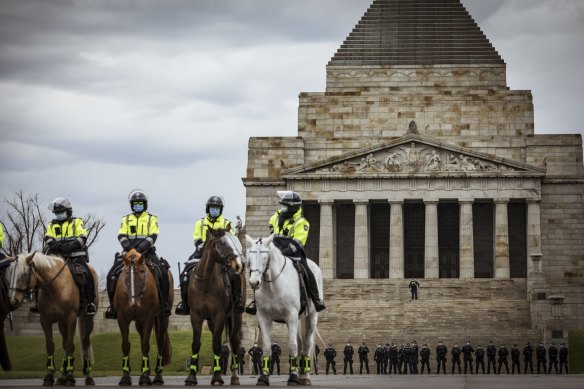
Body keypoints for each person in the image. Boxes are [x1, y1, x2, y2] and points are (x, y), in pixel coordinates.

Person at [246, 191, 325, 315]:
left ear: (293, 208)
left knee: (308, 271)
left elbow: (299, 242)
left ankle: (316, 299)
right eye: (282, 205)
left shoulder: (302, 222)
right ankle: (256, 302)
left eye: (285, 206)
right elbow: (272, 230)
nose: (282, 208)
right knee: (260, 270)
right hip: (276, 250)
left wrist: (284, 252)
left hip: (294, 253)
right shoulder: (277, 217)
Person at [105, 189, 171, 319]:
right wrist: (130, 249)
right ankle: (113, 307)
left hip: (147, 253)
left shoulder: (151, 219)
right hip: (128, 254)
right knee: (111, 276)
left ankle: (164, 305)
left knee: (163, 273)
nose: (138, 206)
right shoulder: (126, 219)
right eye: (135, 204)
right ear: (132, 205)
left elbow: (153, 236)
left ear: (145, 204)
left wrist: (139, 249)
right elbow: (121, 235)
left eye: (140, 203)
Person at [175, 195, 244, 315]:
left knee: (235, 274)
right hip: (201, 254)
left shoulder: (226, 223)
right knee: (185, 273)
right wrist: (206, 248)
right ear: (208, 209)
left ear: (220, 210)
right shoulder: (200, 223)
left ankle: (236, 301)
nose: (215, 210)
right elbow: (197, 239)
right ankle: (185, 303)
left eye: (217, 208)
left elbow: (231, 240)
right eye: (212, 207)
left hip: (221, 256)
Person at [38, 198, 96, 315]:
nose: (59, 214)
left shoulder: (77, 222)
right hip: (56, 257)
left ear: (68, 211)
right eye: (57, 213)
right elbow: (48, 238)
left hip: (76, 256)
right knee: (39, 274)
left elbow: (82, 237)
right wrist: (57, 246)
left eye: (61, 212)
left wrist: (71, 246)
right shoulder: (52, 225)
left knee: (87, 274)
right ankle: (37, 303)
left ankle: (89, 303)